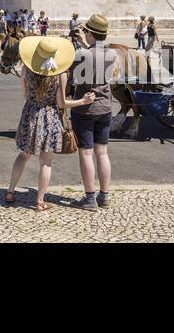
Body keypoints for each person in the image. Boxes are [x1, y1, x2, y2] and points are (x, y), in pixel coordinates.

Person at [5, 35, 93, 211]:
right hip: (49, 117)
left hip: (30, 114)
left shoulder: (25, 71)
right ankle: (39, 201)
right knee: (46, 162)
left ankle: (10, 191)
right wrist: (82, 101)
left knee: (24, 155)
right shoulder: (60, 75)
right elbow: (61, 103)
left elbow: (25, 95)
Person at [70, 14, 116, 211]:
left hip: (86, 108)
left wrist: (81, 48)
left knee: (86, 154)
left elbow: (75, 79)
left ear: (90, 33)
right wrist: (85, 44)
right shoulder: (111, 53)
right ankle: (104, 195)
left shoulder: (82, 54)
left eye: (86, 32)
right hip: (105, 106)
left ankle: (89, 198)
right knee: (102, 152)